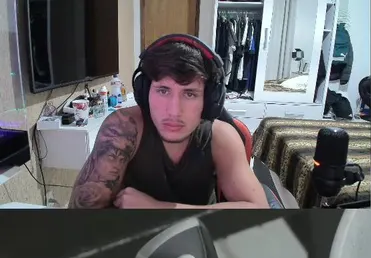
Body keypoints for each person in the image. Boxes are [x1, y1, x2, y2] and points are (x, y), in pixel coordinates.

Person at [68, 34, 268, 209]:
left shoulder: (221, 137)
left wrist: (157, 208)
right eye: (163, 91)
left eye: (189, 94)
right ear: (145, 92)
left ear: (208, 100)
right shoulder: (123, 129)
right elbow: (81, 215)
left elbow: (258, 209)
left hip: (198, 236)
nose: (174, 111)